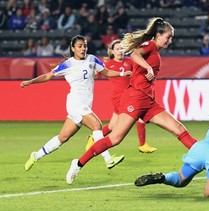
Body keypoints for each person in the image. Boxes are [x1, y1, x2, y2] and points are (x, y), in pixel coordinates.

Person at [66, 17, 198, 184]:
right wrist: (148, 67)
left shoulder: (155, 51)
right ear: (158, 35)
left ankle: (205, 155)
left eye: (171, 38)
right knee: (115, 139)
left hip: (149, 102)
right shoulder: (150, 45)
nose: (170, 41)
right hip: (134, 99)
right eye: (168, 37)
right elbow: (135, 54)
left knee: (179, 129)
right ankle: (78, 164)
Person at [21, 35, 131, 172]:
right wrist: (31, 81)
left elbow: (106, 72)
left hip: (85, 105)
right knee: (97, 125)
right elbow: (48, 76)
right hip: (75, 103)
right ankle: (108, 159)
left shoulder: (92, 59)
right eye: (80, 46)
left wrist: (122, 74)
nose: (83, 48)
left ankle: (35, 156)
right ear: (73, 48)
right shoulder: (68, 64)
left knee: (63, 137)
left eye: (84, 45)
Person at [85, 39, 157, 153]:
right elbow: (95, 73)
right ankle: (142, 145)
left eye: (122, 48)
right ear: (112, 51)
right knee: (140, 117)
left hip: (130, 95)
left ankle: (93, 138)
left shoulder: (129, 61)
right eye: (117, 49)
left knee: (113, 126)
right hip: (118, 98)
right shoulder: (108, 64)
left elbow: (139, 68)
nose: (120, 51)